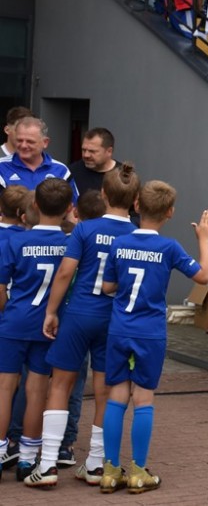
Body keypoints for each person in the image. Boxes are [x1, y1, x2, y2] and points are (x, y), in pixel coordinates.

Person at [27, 165, 140, 487]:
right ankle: (94, 464)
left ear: (103, 194)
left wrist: (51, 311)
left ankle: (48, 465)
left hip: (79, 313)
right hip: (114, 319)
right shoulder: (136, 234)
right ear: (135, 200)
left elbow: (65, 272)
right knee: (105, 390)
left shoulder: (85, 229)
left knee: (60, 385)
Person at [97, 184, 208, 493]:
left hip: (120, 328)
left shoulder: (119, 244)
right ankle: (138, 471)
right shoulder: (169, 247)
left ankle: (110, 471)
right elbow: (203, 276)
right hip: (149, 332)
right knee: (143, 398)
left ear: (136, 204)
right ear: (170, 212)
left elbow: (108, 287)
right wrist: (204, 239)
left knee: (116, 396)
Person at [0, 179, 74, 483]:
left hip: (15, 321)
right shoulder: (70, 244)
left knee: (5, 388)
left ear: (34, 205)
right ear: (68, 208)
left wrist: (7, 311)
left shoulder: (16, 241)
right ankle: (28, 459)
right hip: (49, 324)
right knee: (37, 390)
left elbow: (1, 288)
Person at [0, 117, 77, 201]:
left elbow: (73, 205)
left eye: (30, 142)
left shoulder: (61, 170)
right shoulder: (2, 167)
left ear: (45, 142)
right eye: (19, 140)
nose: (23, 145)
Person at [68, 127, 120, 195]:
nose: (86, 155)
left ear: (109, 151)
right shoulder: (71, 173)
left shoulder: (123, 175)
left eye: (92, 151)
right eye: (84, 150)